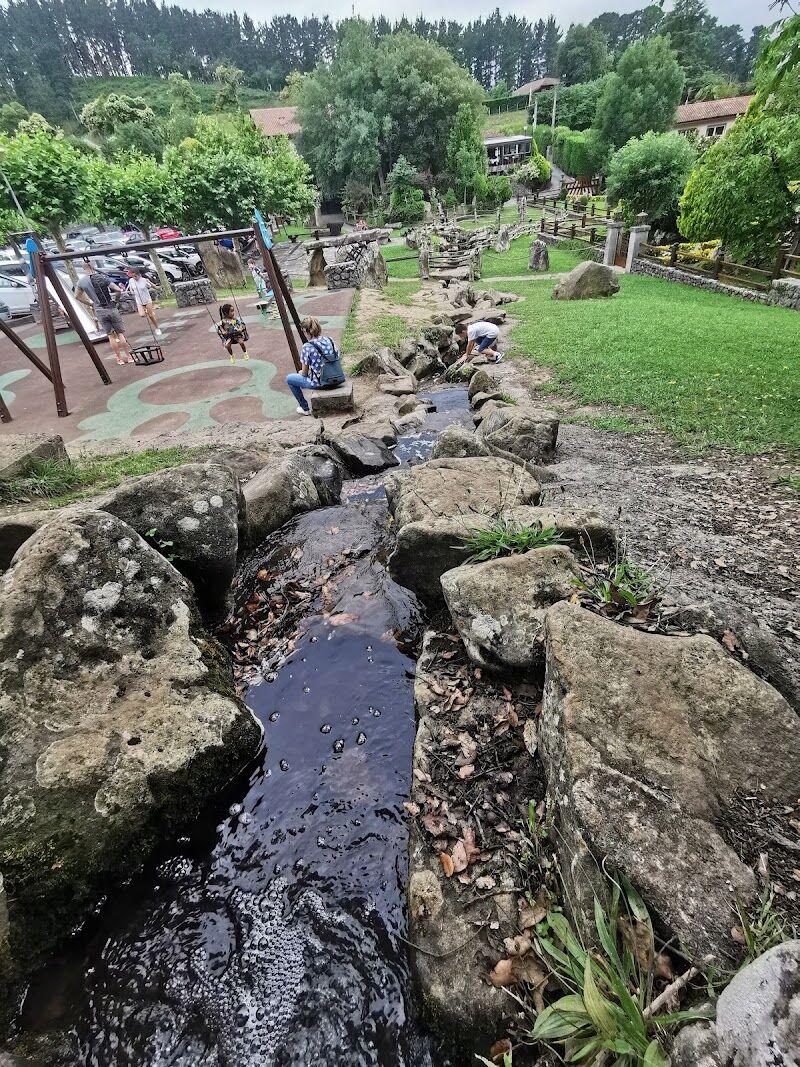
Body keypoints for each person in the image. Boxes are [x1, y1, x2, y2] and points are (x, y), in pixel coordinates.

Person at [74, 259, 133, 366]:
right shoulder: (102, 277)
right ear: (93, 266)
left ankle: (119, 358)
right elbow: (118, 290)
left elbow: (76, 296)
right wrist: (116, 301)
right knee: (120, 333)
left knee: (110, 335)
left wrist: (90, 304)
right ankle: (129, 356)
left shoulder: (81, 282)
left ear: (83, 269)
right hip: (111, 307)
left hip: (99, 309)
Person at [286, 316, 345, 416]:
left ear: (306, 331)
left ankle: (304, 408)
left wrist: (301, 373)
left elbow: (304, 373)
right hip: (337, 378)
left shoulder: (308, 346)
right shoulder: (329, 340)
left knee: (290, 379)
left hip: (321, 383)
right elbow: (337, 357)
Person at [127, 268, 163, 338]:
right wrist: (131, 291)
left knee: (151, 316)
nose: (134, 278)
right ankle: (148, 310)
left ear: (139, 275)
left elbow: (151, 286)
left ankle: (157, 328)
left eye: (135, 276)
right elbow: (131, 288)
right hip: (139, 301)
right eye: (133, 276)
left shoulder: (144, 280)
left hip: (147, 300)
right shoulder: (131, 281)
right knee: (142, 315)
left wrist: (157, 288)